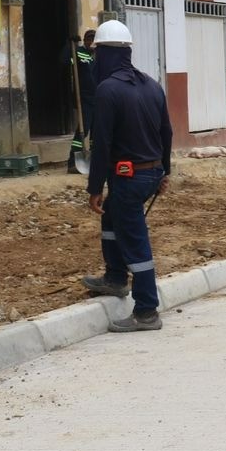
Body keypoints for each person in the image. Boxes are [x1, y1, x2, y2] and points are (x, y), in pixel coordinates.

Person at [81, 19, 172, 333]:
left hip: (129, 178)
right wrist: (165, 172)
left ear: (103, 54)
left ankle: (146, 310)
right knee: (112, 218)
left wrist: (94, 187)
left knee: (135, 239)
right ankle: (115, 278)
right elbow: (167, 133)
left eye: (96, 55)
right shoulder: (152, 85)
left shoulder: (108, 90)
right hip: (150, 173)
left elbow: (102, 144)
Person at [67, 29, 96, 174]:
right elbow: (65, 60)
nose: (90, 42)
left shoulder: (99, 55)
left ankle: (94, 160)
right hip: (84, 98)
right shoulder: (78, 52)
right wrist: (70, 45)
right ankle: (72, 162)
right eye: (88, 39)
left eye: (93, 40)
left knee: (96, 131)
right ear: (84, 41)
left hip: (99, 98)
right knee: (83, 130)